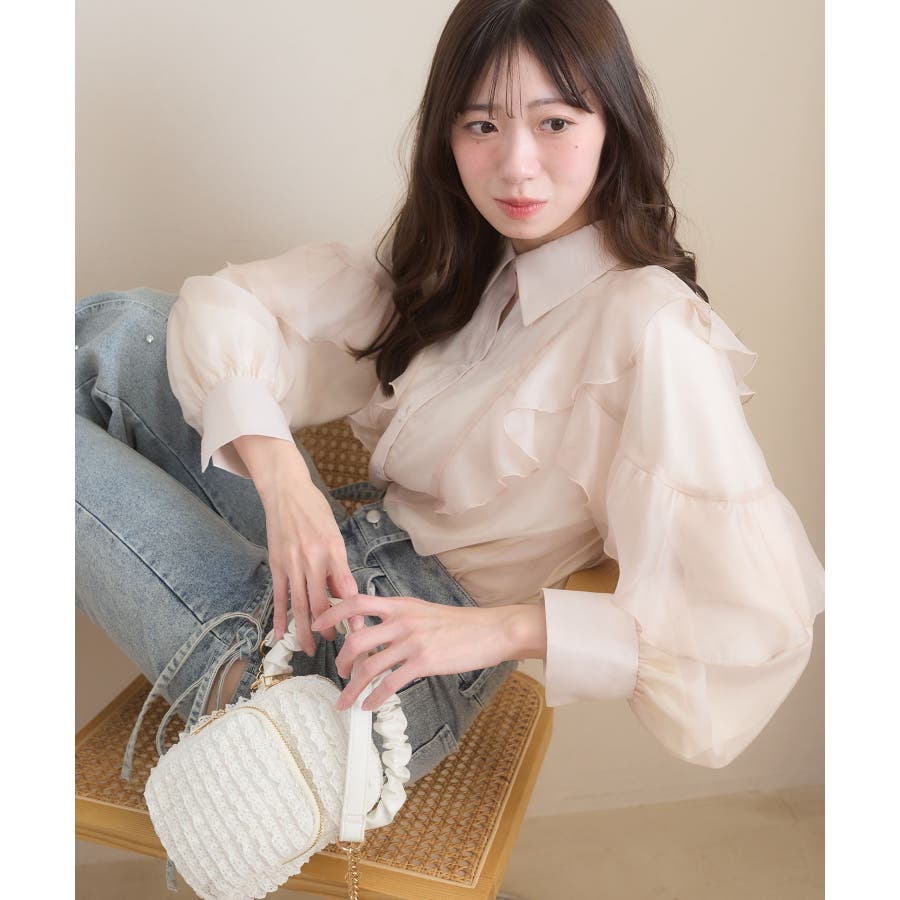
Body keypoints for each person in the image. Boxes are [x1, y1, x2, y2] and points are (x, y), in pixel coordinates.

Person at [75, 0, 825, 793]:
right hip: (333, 567)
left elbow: (752, 622)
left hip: (381, 678)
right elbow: (227, 307)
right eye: (482, 125)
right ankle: (257, 679)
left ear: (612, 124)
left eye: (556, 122)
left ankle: (282, 721)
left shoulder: (651, 325)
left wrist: (500, 631)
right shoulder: (464, 265)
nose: (517, 166)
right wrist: (285, 483)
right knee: (126, 329)